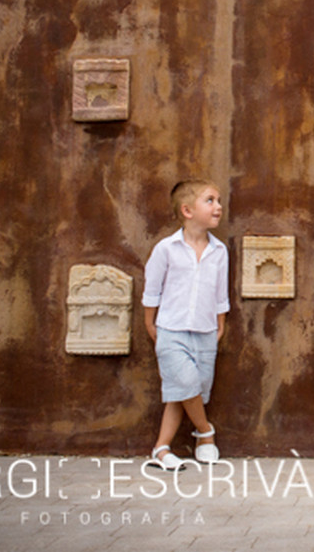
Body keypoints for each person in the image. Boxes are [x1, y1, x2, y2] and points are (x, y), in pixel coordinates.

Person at [142, 179, 230, 470]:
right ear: (187, 210)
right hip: (171, 329)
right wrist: (151, 325)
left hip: (205, 332)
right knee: (187, 384)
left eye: (218, 200)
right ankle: (205, 433)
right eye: (210, 200)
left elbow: (220, 293)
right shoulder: (166, 249)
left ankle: (161, 448)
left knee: (185, 391)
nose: (218, 206)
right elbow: (152, 290)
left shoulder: (219, 251)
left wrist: (220, 324)